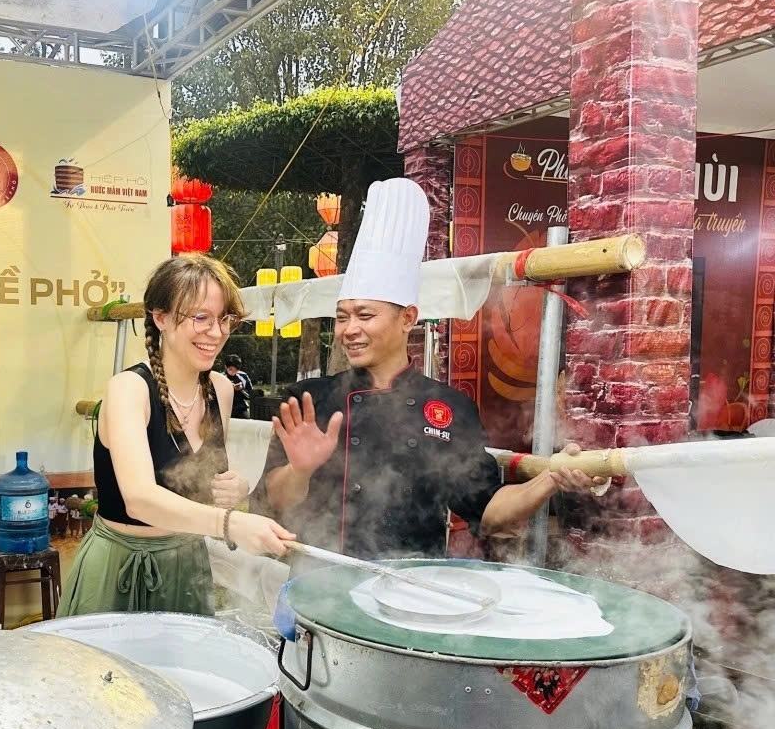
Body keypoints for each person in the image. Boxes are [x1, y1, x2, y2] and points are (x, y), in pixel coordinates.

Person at [251, 179, 605, 563]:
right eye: (342, 317)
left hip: (410, 587)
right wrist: (300, 470)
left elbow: (488, 510)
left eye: (365, 315)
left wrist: (550, 478)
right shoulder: (308, 400)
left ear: (407, 318)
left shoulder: (448, 408)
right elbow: (270, 502)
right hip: (316, 585)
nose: (349, 329)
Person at [57, 254, 295, 616]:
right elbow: (139, 498)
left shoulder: (221, 390)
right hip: (119, 567)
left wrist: (231, 490)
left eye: (224, 319)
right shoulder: (129, 390)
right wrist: (229, 523)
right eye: (201, 317)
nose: (215, 333)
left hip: (186, 567)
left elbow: (201, 484)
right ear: (161, 317)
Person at [223, 355, 252, 419]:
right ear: (226, 367)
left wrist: (241, 389)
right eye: (231, 369)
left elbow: (250, 395)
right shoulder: (221, 377)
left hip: (241, 408)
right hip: (225, 408)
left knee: (248, 421)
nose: (233, 372)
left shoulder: (243, 376)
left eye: (236, 370)